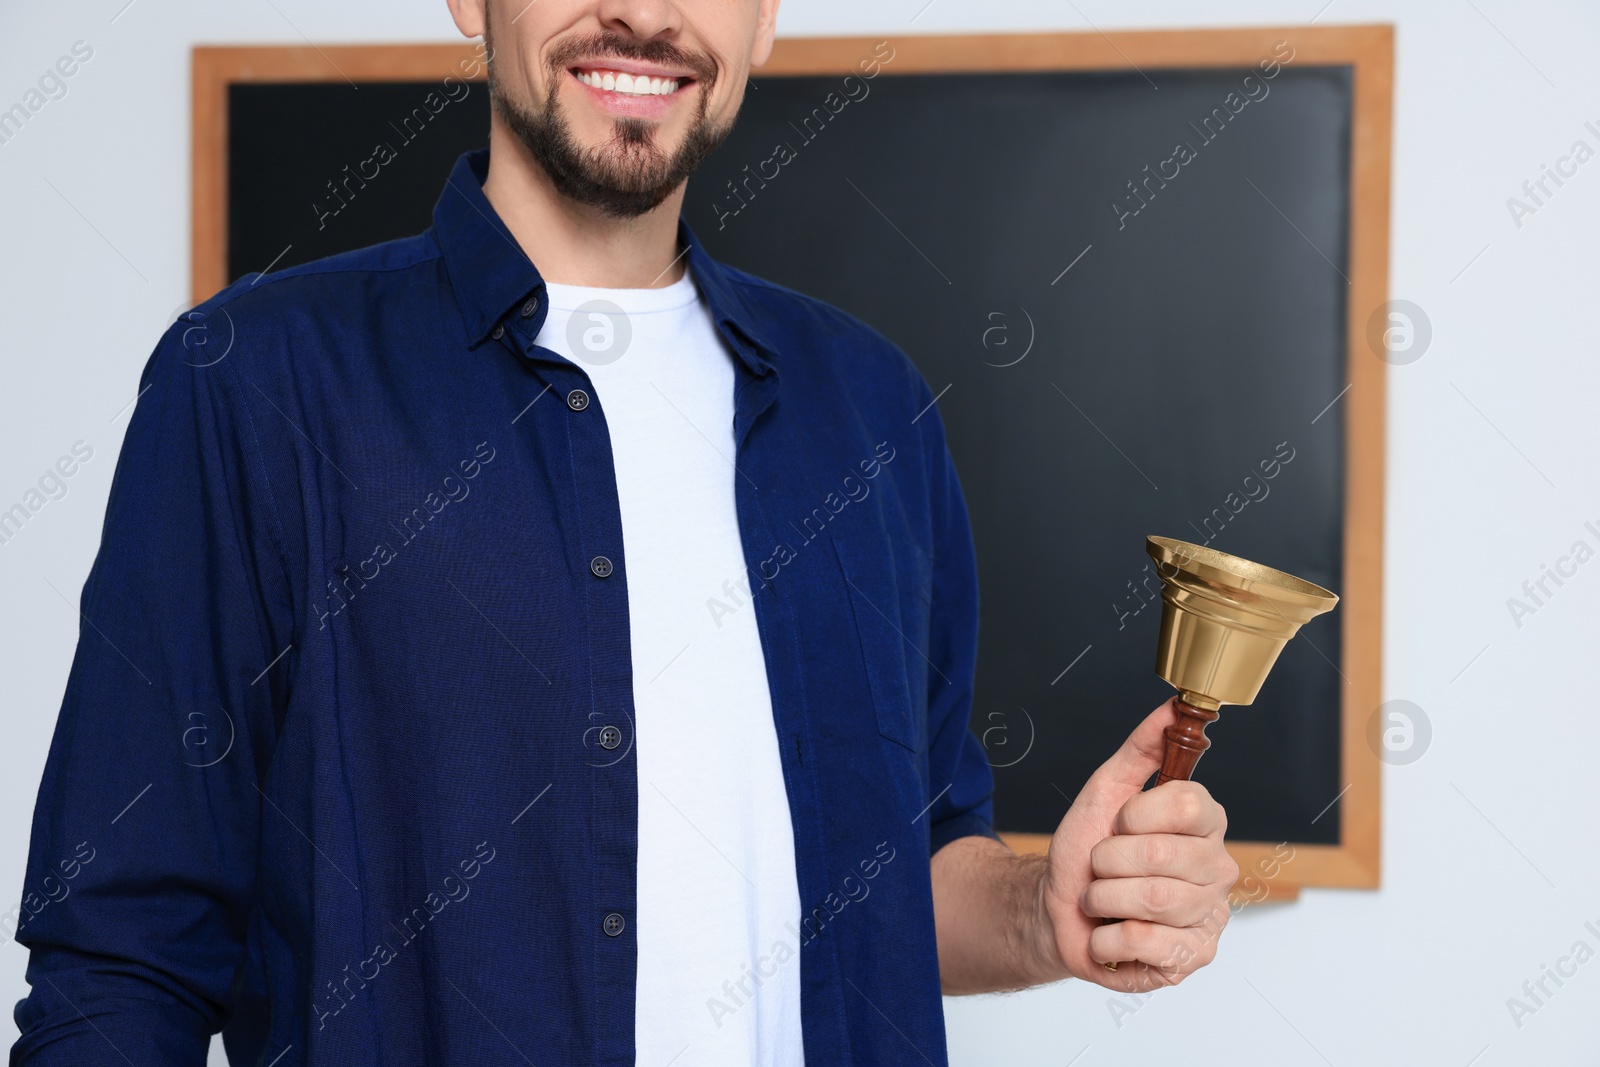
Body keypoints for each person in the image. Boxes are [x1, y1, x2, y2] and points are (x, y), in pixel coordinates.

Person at [10, 0, 1238, 1063]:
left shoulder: (870, 409)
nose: (643, 17)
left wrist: (1048, 911)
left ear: (765, 16)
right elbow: (121, 952)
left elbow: (895, 878)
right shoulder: (257, 383)